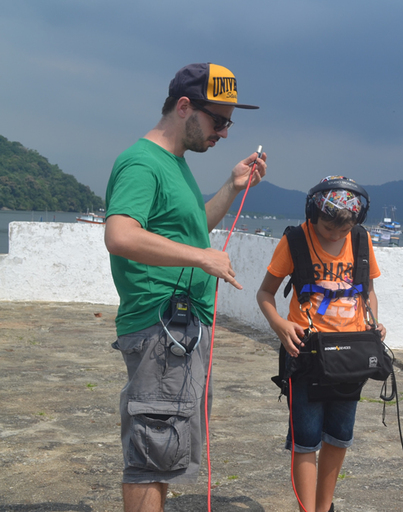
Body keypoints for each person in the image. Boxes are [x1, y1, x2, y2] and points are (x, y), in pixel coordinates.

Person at [104, 62, 266, 511]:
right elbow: (120, 234)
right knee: (151, 455)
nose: (225, 133)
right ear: (184, 107)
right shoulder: (142, 162)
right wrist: (201, 258)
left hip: (179, 331)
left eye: (229, 122)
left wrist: (232, 188)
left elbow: (190, 233)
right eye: (219, 120)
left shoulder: (175, 165)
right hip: (161, 329)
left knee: (166, 450)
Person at [256, 176, 386, 512]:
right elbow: (265, 292)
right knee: (306, 440)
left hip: (352, 354)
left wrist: (372, 320)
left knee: (340, 435)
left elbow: (367, 288)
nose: (335, 235)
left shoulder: (360, 239)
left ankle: (325, 506)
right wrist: (280, 324)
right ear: (313, 213)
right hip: (306, 354)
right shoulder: (296, 241)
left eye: (344, 230)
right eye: (329, 228)